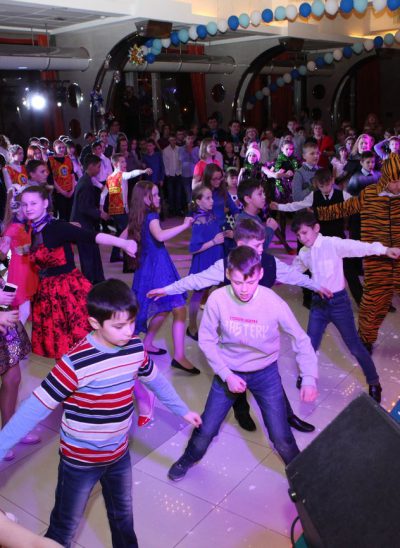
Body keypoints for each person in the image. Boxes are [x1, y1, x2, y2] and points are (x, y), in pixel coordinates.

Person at [0, 279, 202, 547]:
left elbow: (156, 381)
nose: (128, 331)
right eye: (119, 326)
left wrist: (182, 410)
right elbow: (34, 408)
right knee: (63, 528)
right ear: (95, 323)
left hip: (118, 454)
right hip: (79, 460)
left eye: (132, 322)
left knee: (123, 519)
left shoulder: (134, 347)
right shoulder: (76, 363)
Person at [148, 217, 333, 433]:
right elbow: (196, 280)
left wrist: (316, 286)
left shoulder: (269, 263)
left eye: (262, 244)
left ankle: (287, 416)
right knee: (233, 378)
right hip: (233, 335)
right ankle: (241, 411)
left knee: (270, 379)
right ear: (240, 245)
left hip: (259, 333)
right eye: (257, 245)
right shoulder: (226, 266)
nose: (261, 249)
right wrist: (167, 290)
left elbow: (293, 276)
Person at [167, 246, 318, 481]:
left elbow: (300, 339)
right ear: (228, 274)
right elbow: (206, 340)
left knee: (280, 435)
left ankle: (301, 476)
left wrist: (308, 377)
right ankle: (188, 458)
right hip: (228, 371)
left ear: (260, 274)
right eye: (237, 282)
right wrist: (226, 374)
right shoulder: (218, 298)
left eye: (250, 282)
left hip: (265, 373)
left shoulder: (273, 302)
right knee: (207, 428)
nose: (244, 289)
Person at [291, 210, 400, 401]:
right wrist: (274, 275)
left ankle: (374, 382)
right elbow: (293, 271)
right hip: (318, 305)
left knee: (355, 346)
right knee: (310, 344)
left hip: (338, 304)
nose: (302, 238)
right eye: (298, 235)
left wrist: (384, 250)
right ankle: (306, 375)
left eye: (305, 232)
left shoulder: (332, 244)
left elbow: (357, 247)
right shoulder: (304, 252)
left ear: (316, 228)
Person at [20, 185, 137, 359]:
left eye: (33, 203)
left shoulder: (57, 227)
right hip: (47, 293)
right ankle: (70, 372)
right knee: (61, 346)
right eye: (24, 204)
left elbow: (91, 236)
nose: (28, 208)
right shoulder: (34, 227)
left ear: (45, 203)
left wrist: (123, 243)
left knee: (82, 340)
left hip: (67, 291)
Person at [316, 154, 400, 353]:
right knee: (373, 303)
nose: (397, 186)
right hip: (377, 258)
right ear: (386, 178)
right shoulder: (370, 194)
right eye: (394, 181)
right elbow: (344, 208)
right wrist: (317, 214)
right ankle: (365, 339)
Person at [125, 181, 199, 373]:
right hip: (159, 268)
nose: (159, 198)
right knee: (179, 308)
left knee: (164, 307)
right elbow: (160, 236)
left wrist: (129, 247)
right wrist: (184, 225)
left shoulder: (137, 215)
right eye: (155, 195)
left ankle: (147, 343)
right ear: (145, 198)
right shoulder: (151, 216)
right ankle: (179, 357)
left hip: (147, 267)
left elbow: (124, 236)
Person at [271, 168, 364, 305]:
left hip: (338, 239)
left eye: (328, 185)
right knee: (314, 270)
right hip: (319, 241)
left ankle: (362, 302)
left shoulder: (342, 195)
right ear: (316, 185)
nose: (325, 189)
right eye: (321, 186)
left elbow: (358, 204)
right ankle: (310, 299)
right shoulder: (313, 196)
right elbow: (297, 205)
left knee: (350, 270)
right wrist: (279, 207)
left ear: (332, 181)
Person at [186, 185, 225, 341]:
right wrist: (214, 242)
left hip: (216, 258)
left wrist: (224, 234)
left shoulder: (211, 215)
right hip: (204, 261)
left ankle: (219, 324)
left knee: (220, 289)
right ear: (198, 201)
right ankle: (192, 327)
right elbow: (194, 248)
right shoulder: (198, 221)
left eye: (211, 197)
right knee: (198, 294)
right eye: (208, 198)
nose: (212, 201)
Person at [100, 153, 152, 263]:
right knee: (127, 233)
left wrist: (102, 209)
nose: (125, 164)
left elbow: (103, 195)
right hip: (120, 211)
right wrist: (143, 171)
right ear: (115, 164)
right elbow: (131, 174)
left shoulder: (109, 178)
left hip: (115, 211)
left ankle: (115, 256)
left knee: (120, 233)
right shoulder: (121, 175)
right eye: (122, 162)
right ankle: (128, 260)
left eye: (125, 161)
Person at [0, 190, 39, 324]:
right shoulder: (12, 229)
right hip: (20, 270)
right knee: (23, 309)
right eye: (25, 204)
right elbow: (2, 254)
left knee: (21, 307)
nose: (29, 208)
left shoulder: (28, 224)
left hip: (28, 267)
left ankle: (13, 332)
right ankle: (14, 334)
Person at [70, 154, 105, 284]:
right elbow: (84, 207)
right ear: (90, 166)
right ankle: (89, 283)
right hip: (83, 225)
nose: (99, 170)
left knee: (92, 253)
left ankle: (97, 280)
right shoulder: (85, 184)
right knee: (88, 255)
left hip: (86, 224)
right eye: (98, 166)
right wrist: (100, 214)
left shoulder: (86, 180)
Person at [237, 178, 277, 250]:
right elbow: (260, 248)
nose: (264, 197)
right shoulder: (244, 222)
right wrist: (270, 229)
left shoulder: (255, 216)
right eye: (260, 194)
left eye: (263, 193)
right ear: (248, 199)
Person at [47, 139, 76, 221]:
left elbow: (72, 175)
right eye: (59, 148)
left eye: (63, 147)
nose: (62, 149)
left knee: (71, 214)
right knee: (62, 215)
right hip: (59, 192)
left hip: (70, 190)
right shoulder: (50, 160)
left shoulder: (68, 158)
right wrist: (63, 192)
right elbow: (52, 179)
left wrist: (72, 190)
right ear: (54, 148)